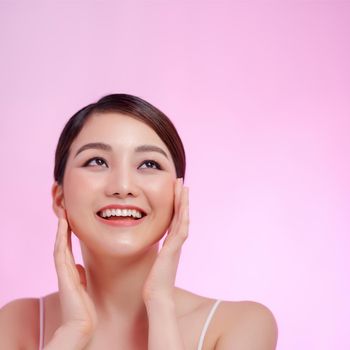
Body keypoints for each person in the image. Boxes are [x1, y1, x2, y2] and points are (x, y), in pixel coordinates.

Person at [0, 94, 278, 349]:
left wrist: (160, 303)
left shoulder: (238, 325)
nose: (123, 186)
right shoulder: (17, 323)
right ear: (60, 198)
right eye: (97, 161)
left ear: (177, 195)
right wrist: (73, 331)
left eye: (149, 164)